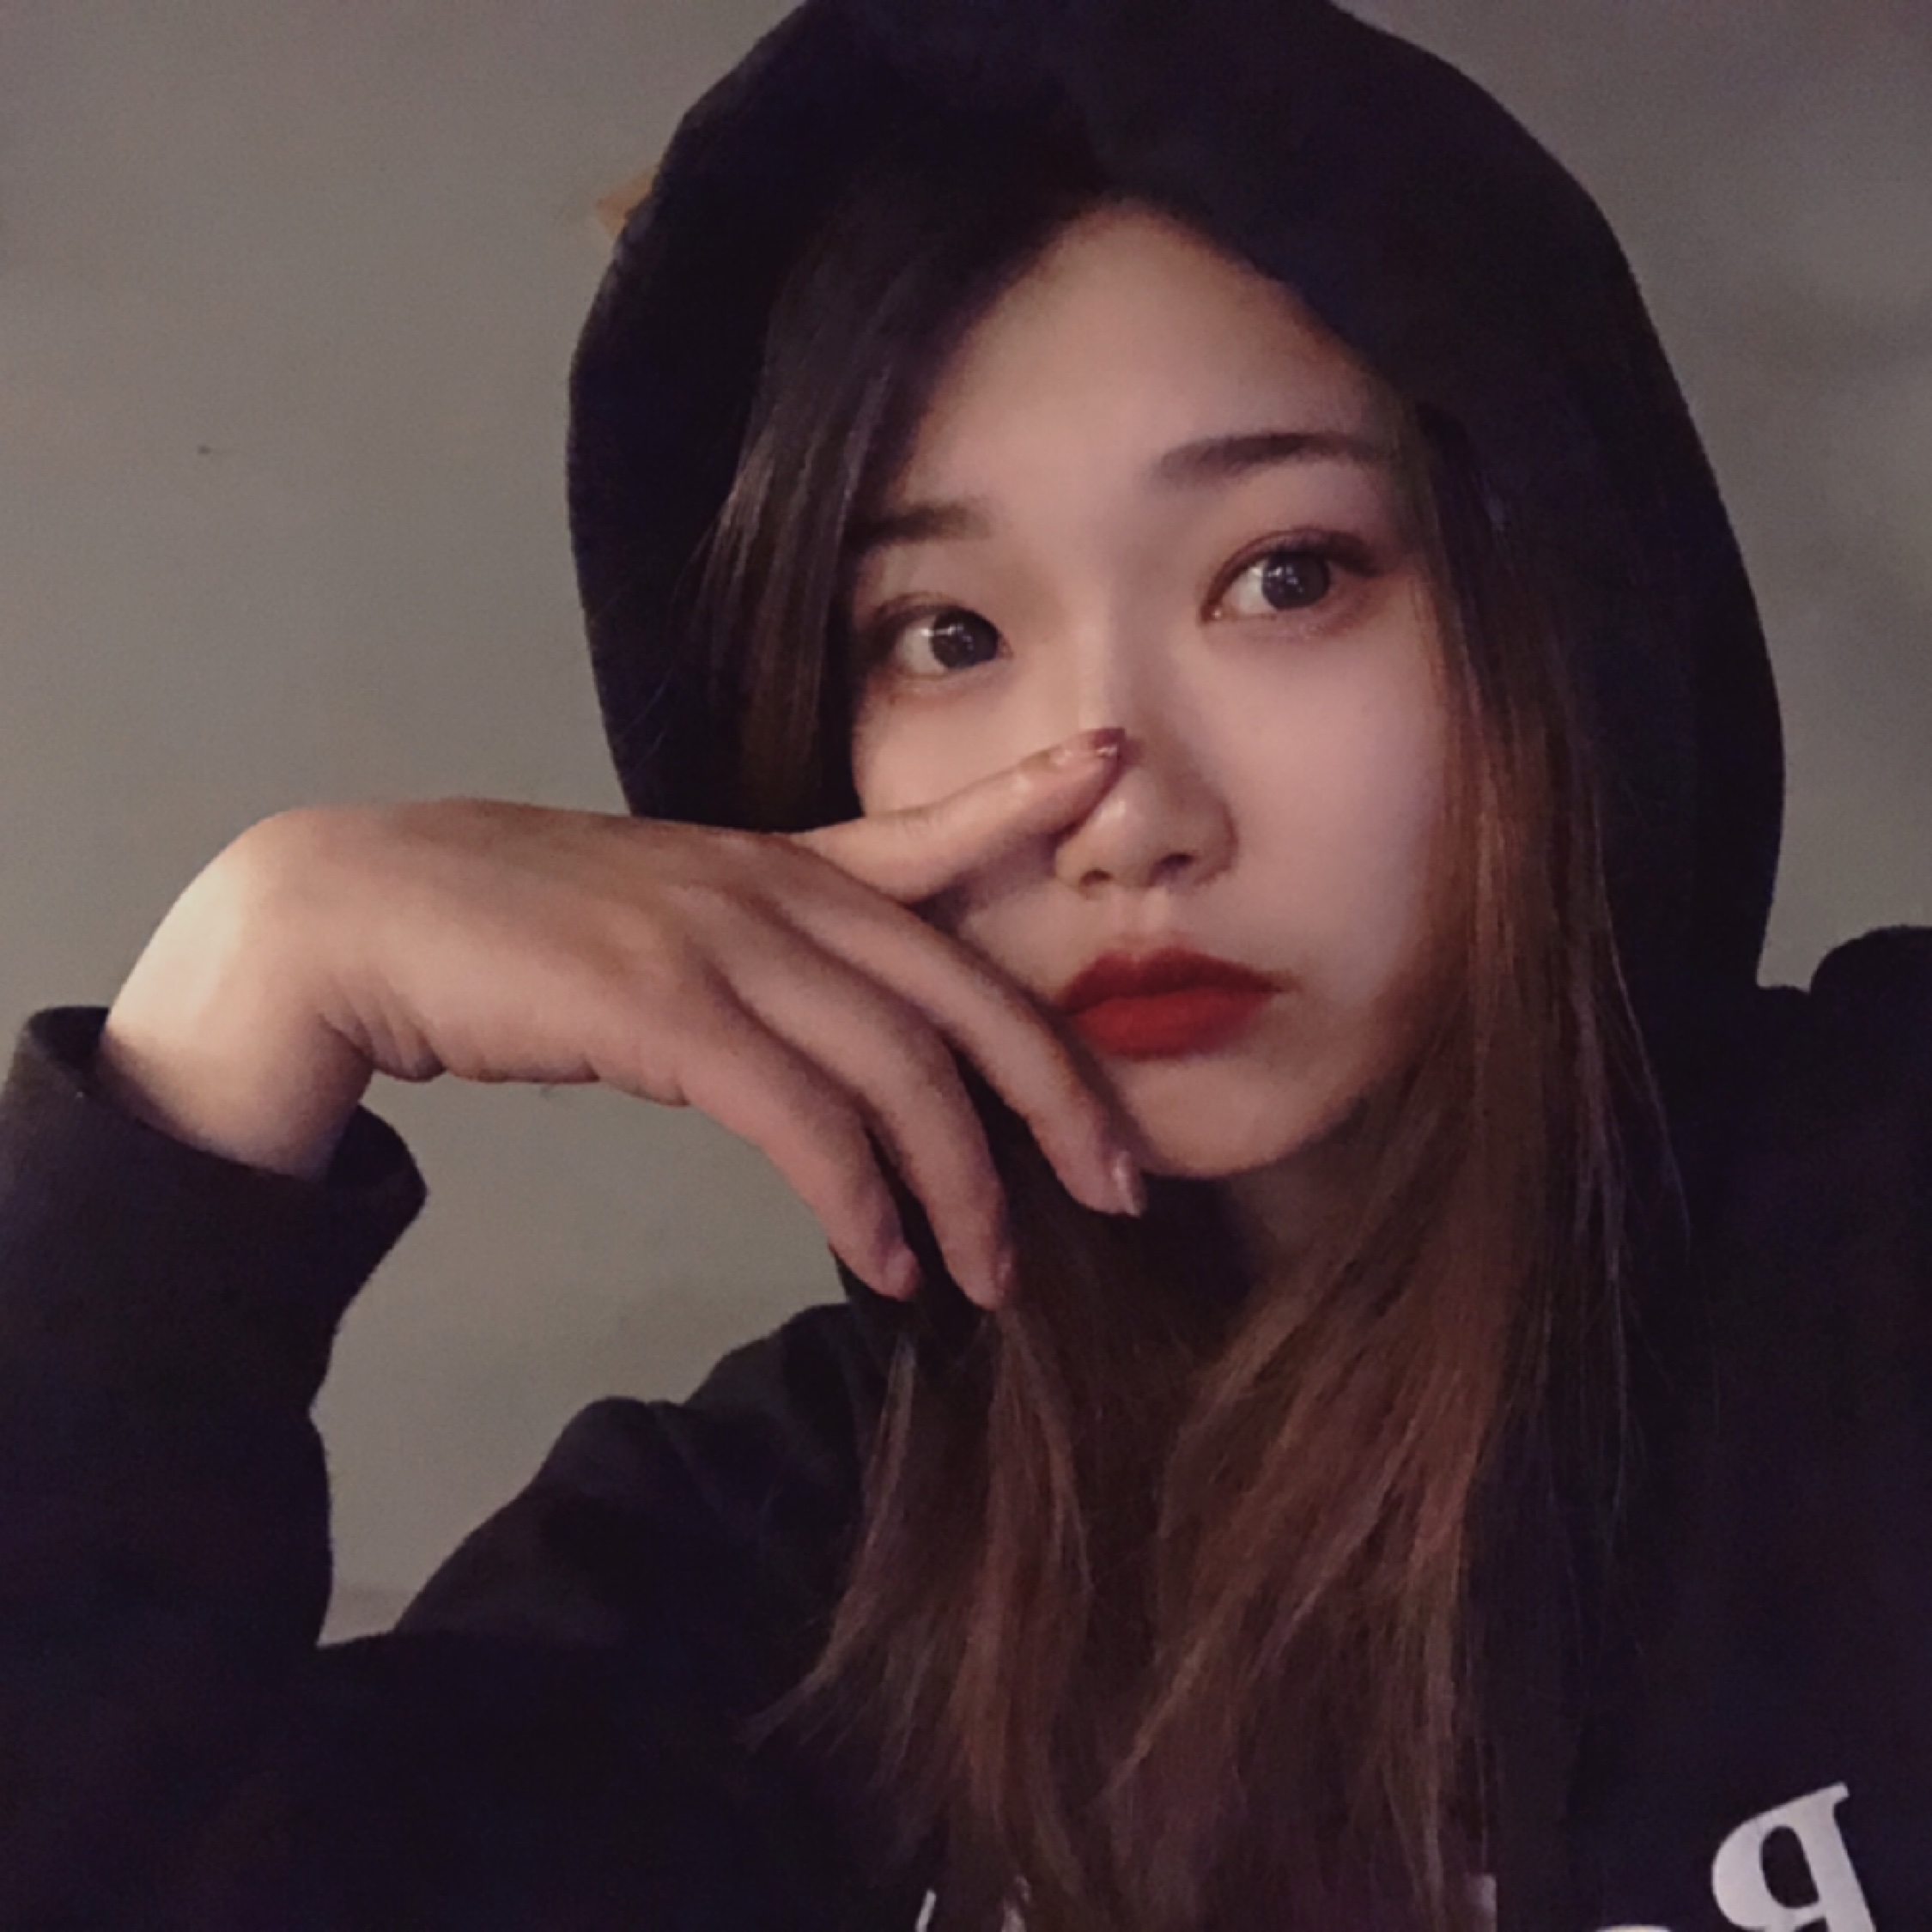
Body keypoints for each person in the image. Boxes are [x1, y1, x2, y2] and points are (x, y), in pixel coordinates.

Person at [0, 0, 1925, 1927]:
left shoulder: (1868, 1246)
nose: (1122, 813)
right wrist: (243, 1004)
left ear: (1563, 599)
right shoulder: (784, 1570)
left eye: (1286, 575)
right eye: (943, 635)